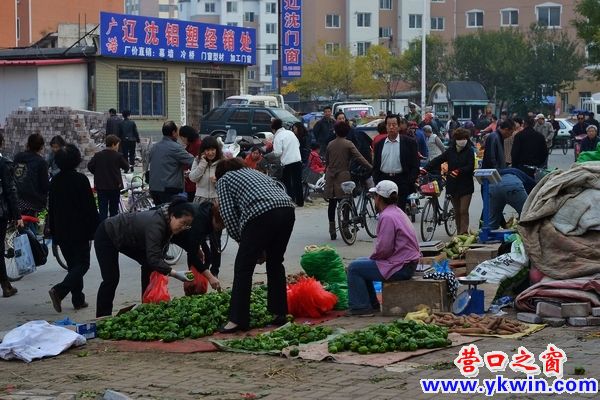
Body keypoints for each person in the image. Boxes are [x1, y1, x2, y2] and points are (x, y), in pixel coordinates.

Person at [215, 158, 296, 333]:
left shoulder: (224, 180)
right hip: (287, 210)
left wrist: (242, 241)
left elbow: (228, 213)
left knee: (243, 266)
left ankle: (237, 319)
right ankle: (279, 312)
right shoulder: (255, 173)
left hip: (261, 214)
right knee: (275, 262)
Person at [95, 198, 196, 317]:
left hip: (129, 239)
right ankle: (102, 317)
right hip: (108, 234)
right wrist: (174, 273)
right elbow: (154, 258)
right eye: (183, 223)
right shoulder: (156, 224)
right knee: (111, 279)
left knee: (149, 266)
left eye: (187, 225)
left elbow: (156, 256)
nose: (183, 227)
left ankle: (147, 305)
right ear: (173, 216)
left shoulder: (167, 222)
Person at [346, 180, 420, 316]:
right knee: (360, 262)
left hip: (401, 267)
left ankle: (360, 308)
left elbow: (384, 249)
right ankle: (371, 304)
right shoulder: (397, 211)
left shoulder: (387, 216)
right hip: (407, 263)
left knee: (354, 268)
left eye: (375, 197)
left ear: (378, 198)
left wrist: (373, 259)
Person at [47, 144, 99, 312]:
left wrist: (53, 231)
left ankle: (78, 299)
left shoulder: (55, 181)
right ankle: (59, 290)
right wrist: (96, 228)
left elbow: (52, 208)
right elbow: (89, 207)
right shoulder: (80, 180)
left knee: (73, 265)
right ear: (76, 160)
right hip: (80, 230)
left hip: (62, 230)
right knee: (82, 264)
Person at [323, 121, 372, 240]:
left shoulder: (330, 144)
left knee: (332, 203)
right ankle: (345, 228)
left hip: (331, 176)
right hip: (343, 176)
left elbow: (327, 161)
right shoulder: (348, 144)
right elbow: (359, 157)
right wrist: (371, 167)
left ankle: (332, 229)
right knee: (346, 202)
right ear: (347, 132)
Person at [424, 128, 475, 234]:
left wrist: (459, 171)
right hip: (453, 185)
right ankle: (459, 233)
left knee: (463, 211)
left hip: (466, 185)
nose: (462, 140)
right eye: (460, 138)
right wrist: (425, 168)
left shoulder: (470, 151)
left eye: (464, 138)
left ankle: (464, 233)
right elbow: (438, 160)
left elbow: (470, 166)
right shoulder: (450, 151)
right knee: (457, 212)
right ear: (455, 139)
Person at [189, 136, 223, 277]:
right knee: (199, 236)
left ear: (217, 150)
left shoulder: (222, 163)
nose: (210, 153)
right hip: (200, 201)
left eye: (213, 149)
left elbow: (227, 181)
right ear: (203, 151)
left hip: (216, 202)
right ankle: (205, 263)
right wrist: (202, 164)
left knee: (216, 238)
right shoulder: (197, 161)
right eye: (207, 150)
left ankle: (215, 270)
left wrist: (218, 181)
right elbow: (192, 178)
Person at [170, 201, 222, 288]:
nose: (220, 228)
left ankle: (194, 286)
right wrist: (210, 276)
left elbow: (200, 243)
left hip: (181, 234)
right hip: (164, 228)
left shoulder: (207, 215)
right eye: (220, 225)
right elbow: (192, 253)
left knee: (198, 254)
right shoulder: (201, 220)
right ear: (215, 218)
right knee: (150, 264)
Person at [372, 115, 420, 210]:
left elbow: (415, 164)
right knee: (384, 211)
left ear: (399, 126)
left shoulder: (409, 143)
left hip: (401, 181)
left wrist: (409, 181)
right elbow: (376, 165)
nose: (391, 127)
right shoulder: (379, 144)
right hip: (384, 179)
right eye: (389, 125)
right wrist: (377, 179)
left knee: (398, 211)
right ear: (385, 126)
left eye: (394, 125)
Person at [148, 121, 194, 205]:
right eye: (177, 132)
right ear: (173, 133)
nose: (178, 135)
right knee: (172, 215)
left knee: (160, 215)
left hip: (153, 187)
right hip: (169, 189)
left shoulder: (154, 147)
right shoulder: (175, 147)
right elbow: (192, 161)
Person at [0, 133, 24, 298]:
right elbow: (10, 190)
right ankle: (6, 286)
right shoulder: (3, 163)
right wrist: (17, 215)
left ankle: (6, 284)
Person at [88, 135, 129, 221]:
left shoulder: (98, 155)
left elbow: (90, 166)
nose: (118, 147)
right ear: (113, 144)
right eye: (118, 145)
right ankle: (113, 229)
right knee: (114, 210)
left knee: (103, 210)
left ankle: (103, 229)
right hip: (115, 186)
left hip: (101, 186)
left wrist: (97, 173)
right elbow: (126, 167)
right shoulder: (118, 156)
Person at [13, 133, 49, 218]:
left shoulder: (18, 156)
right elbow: (45, 186)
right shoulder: (41, 162)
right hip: (33, 203)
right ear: (41, 147)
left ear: (28, 144)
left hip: (15, 199)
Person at [271, 118, 304, 207]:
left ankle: (291, 200)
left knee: (288, 183)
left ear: (274, 129)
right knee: (297, 182)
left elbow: (278, 153)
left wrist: (272, 154)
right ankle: (300, 202)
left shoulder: (278, 137)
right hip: (297, 160)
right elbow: (298, 144)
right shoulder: (290, 133)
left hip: (287, 163)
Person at [179, 125, 202, 202]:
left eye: (182, 138)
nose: (182, 140)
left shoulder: (197, 145)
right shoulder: (191, 145)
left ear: (186, 136)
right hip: (189, 181)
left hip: (194, 182)